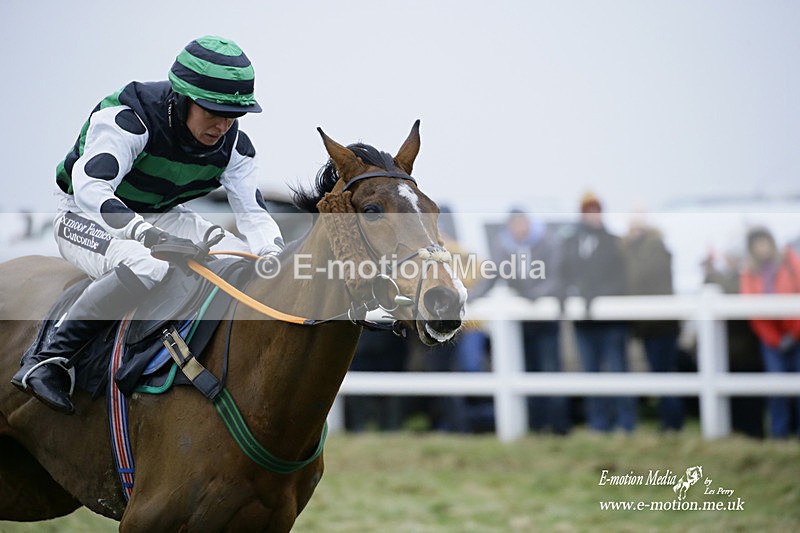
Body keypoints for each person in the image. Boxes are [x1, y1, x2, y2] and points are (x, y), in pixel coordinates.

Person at [12, 36, 284, 414]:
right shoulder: (129, 116)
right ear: (183, 98)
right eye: (212, 112)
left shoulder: (235, 147)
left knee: (236, 255)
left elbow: (253, 215)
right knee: (146, 263)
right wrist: (144, 234)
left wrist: (273, 255)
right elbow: (91, 189)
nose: (223, 126)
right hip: (83, 213)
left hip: (163, 213)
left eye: (232, 115)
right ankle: (48, 358)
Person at [472, 209, 570, 434]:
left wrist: (535, 295)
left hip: (545, 319)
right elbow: (491, 276)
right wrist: (471, 297)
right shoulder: (504, 246)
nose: (520, 229)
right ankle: (536, 425)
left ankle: (558, 426)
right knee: (527, 370)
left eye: (522, 224)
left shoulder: (548, 242)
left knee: (550, 369)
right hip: (522, 321)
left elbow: (557, 277)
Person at [562, 192, 634, 432]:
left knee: (617, 370)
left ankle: (625, 423)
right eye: (588, 211)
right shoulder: (571, 242)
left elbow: (622, 278)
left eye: (596, 210)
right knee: (590, 372)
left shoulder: (614, 241)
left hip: (611, 321)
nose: (592, 215)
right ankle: (598, 423)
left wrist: (598, 294)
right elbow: (565, 273)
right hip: (584, 322)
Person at [623, 213, 684, 431]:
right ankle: (669, 420)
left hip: (661, 324)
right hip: (649, 325)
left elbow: (640, 278)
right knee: (660, 371)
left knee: (663, 372)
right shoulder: (640, 249)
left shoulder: (653, 248)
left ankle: (672, 422)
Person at [740, 227, 800, 438]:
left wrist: (794, 334)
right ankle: (779, 435)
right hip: (771, 340)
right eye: (757, 244)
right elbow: (753, 310)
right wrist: (775, 339)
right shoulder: (750, 272)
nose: (762, 248)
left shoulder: (790, 263)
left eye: (764, 242)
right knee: (776, 388)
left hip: (796, 334)